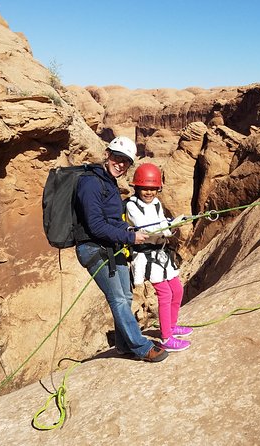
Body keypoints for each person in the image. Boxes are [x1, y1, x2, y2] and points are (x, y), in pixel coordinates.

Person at [74, 137, 168, 362]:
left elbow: (113, 219)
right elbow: (95, 225)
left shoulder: (108, 182)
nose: (121, 164)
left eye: (126, 161)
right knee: (117, 298)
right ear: (107, 154)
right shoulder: (91, 183)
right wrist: (129, 236)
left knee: (125, 295)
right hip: (93, 248)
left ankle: (124, 345)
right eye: (117, 158)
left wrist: (127, 229)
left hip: (109, 246)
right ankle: (141, 347)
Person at [125, 163, 193, 352]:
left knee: (177, 290)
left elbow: (161, 222)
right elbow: (146, 227)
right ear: (137, 187)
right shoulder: (131, 206)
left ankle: (170, 326)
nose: (149, 192)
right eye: (145, 188)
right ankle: (165, 337)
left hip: (161, 253)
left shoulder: (156, 204)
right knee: (165, 293)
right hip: (147, 256)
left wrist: (172, 223)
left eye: (153, 189)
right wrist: (171, 226)